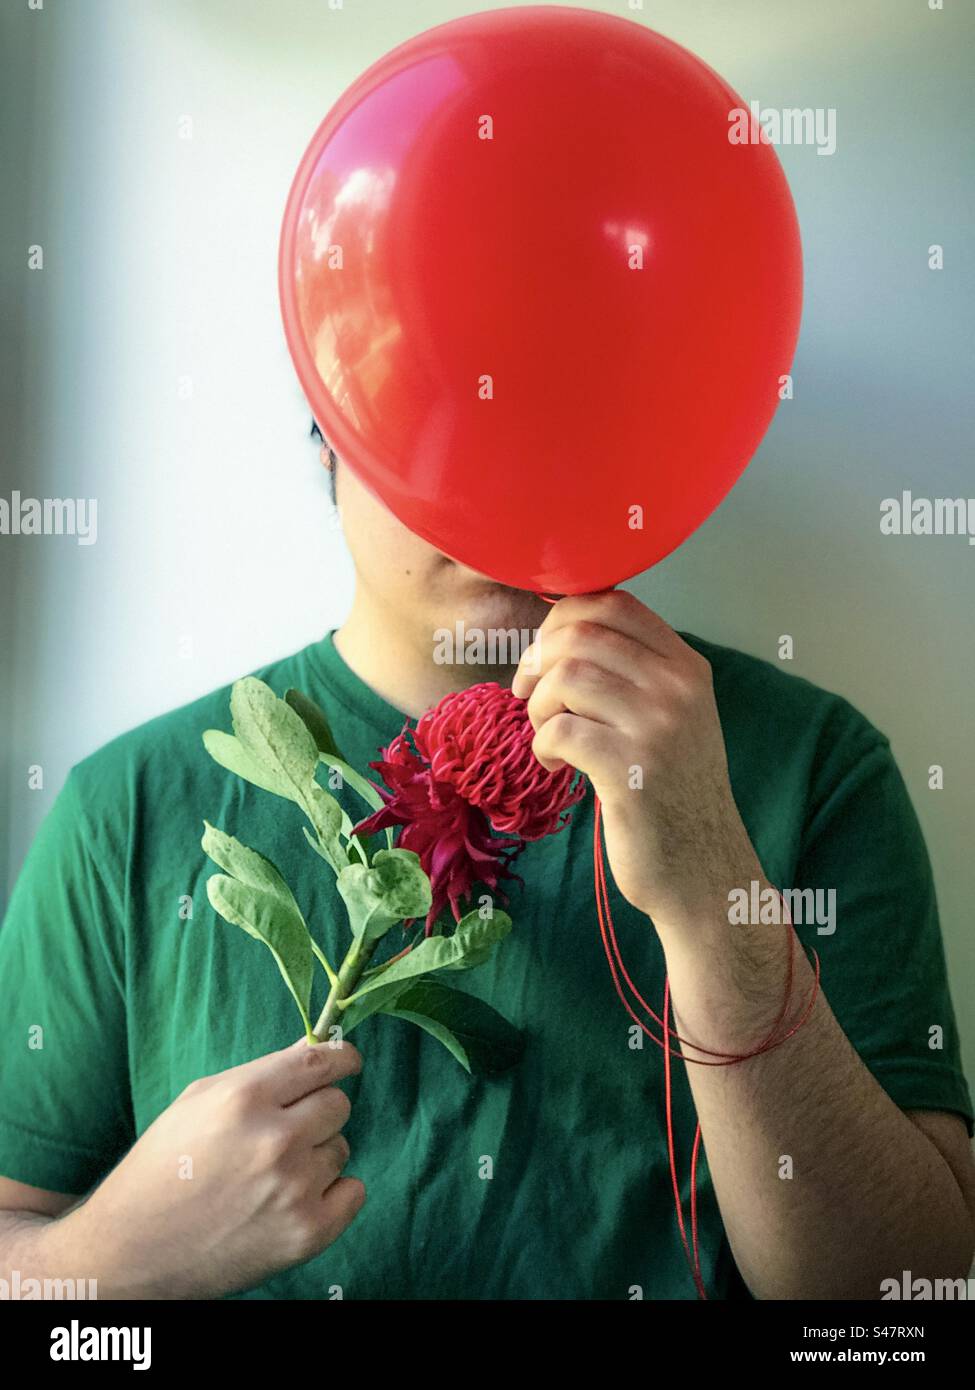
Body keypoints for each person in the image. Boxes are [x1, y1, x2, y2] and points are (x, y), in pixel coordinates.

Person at [0, 429, 973, 1301]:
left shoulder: (814, 768)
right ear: (328, 436)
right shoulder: (125, 805)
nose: (502, 480)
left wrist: (713, 893)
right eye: (430, 418)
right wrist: (114, 1255)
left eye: (551, 416)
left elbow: (907, 1296)